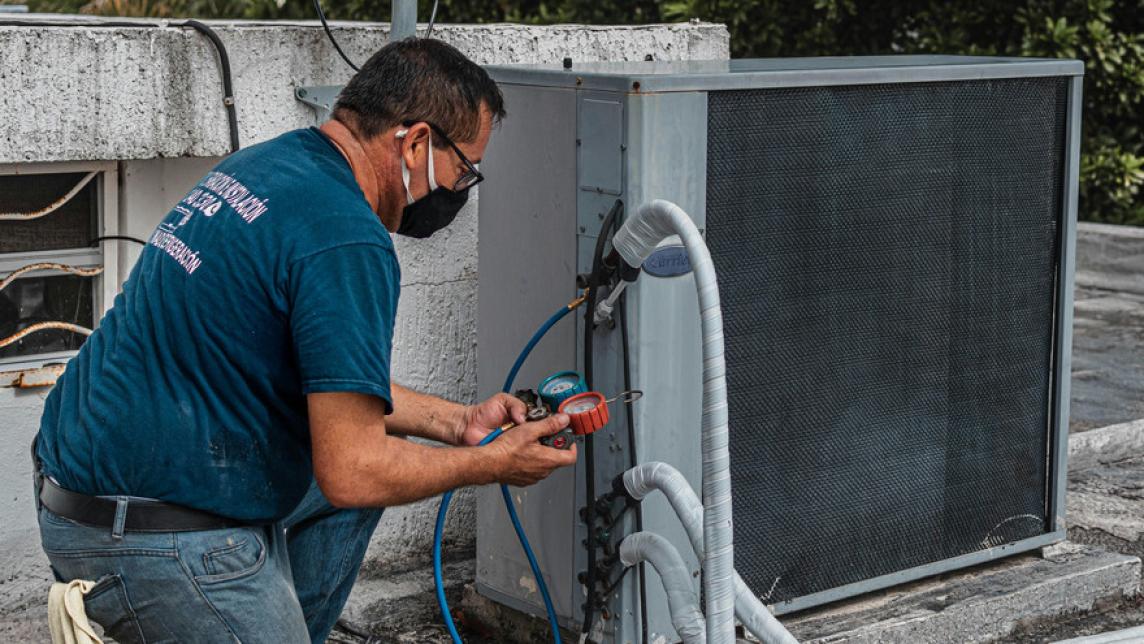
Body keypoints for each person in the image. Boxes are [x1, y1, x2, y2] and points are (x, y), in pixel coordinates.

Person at [32, 38, 577, 643]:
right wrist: (492, 462)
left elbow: (335, 389)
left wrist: (459, 423)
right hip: (148, 534)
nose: (462, 189)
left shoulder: (266, 166)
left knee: (354, 480)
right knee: (364, 475)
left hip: (78, 485)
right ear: (418, 142)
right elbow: (355, 469)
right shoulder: (348, 239)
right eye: (465, 170)